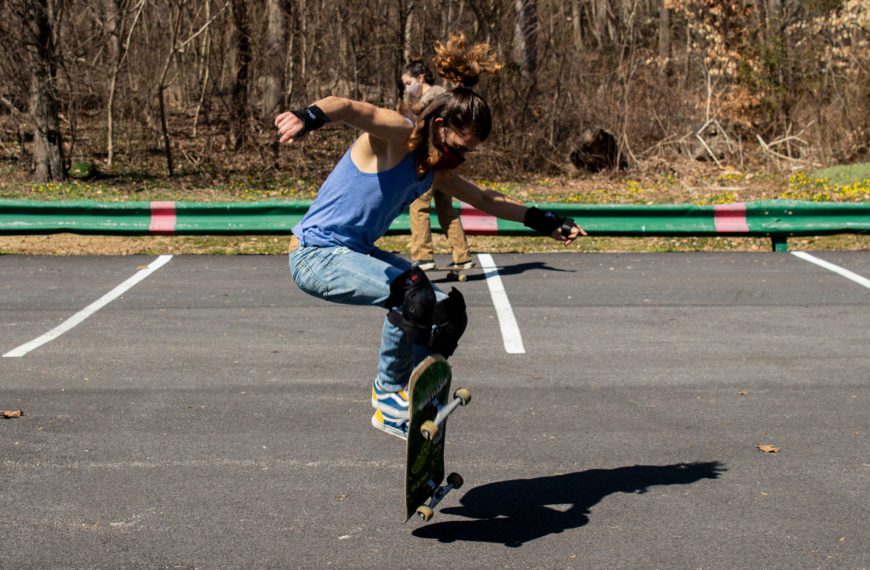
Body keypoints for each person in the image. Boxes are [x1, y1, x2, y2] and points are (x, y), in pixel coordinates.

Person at [275, 34, 586, 440]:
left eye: (467, 155)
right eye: (458, 149)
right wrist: (308, 116)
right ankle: (387, 397)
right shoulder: (398, 135)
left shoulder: (433, 167)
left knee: (447, 312)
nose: (458, 159)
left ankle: (421, 390)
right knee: (413, 292)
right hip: (315, 255)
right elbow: (350, 107)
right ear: (439, 126)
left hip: (353, 252)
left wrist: (546, 220)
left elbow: (485, 198)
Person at [401, 58, 472, 271]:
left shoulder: (434, 101)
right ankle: (462, 256)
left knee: (419, 206)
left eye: (408, 83)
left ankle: (423, 256)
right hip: (444, 162)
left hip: (431, 160)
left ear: (421, 78)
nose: (407, 88)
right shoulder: (443, 98)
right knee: (445, 209)